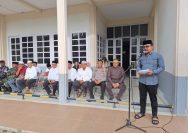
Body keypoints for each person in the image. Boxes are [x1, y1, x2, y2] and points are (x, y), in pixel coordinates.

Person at [134, 40, 165, 125]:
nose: (145, 48)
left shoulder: (158, 56)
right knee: (142, 98)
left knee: (153, 99)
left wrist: (154, 72)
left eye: (147, 46)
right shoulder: (141, 56)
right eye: (144, 46)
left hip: (153, 82)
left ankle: (154, 116)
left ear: (152, 46)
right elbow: (138, 66)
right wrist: (139, 71)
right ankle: (142, 112)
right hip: (142, 81)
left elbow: (162, 67)